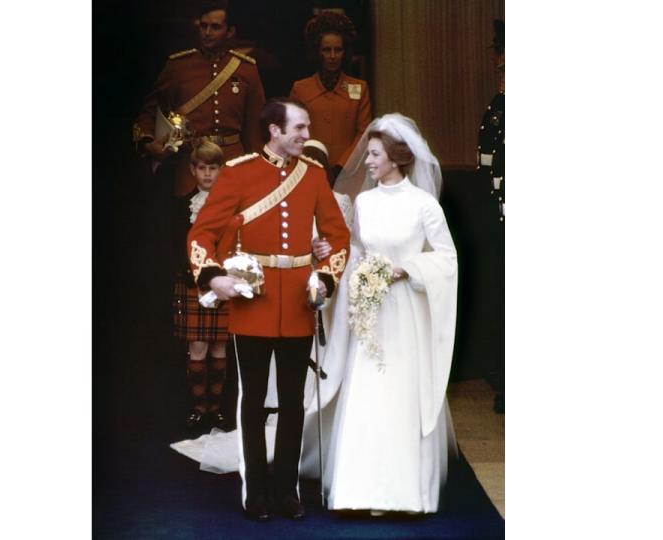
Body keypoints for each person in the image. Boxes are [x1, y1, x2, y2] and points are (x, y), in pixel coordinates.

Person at [186, 98, 350, 521]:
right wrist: (214, 278)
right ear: (274, 130)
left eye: (306, 127)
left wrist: (325, 279)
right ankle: (255, 491)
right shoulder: (239, 172)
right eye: (298, 127)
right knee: (254, 401)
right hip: (252, 305)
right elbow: (201, 233)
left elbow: (338, 237)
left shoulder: (313, 176)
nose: (305, 135)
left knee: (294, 402)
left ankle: (286, 490)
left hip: (298, 302)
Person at [317, 113, 460, 514]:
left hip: (406, 314)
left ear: (397, 157)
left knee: (400, 393)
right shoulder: (364, 202)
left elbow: (446, 259)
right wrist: (352, 269)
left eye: (375, 154)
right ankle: (358, 491)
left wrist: (406, 269)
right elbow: (359, 250)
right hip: (370, 312)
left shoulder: (424, 205)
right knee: (367, 391)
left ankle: (404, 493)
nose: (368, 161)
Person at [134, 0, 266, 196]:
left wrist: (258, 173)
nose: (207, 32)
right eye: (203, 26)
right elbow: (150, 111)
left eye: (215, 27)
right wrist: (147, 141)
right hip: (190, 168)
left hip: (233, 166)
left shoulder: (247, 69)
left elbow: (255, 128)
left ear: (230, 31)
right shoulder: (178, 66)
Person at [172, 140, 231, 431]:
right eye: (202, 168)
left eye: (213, 168)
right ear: (193, 170)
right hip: (192, 284)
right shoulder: (182, 206)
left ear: (221, 170)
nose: (208, 174)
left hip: (222, 284)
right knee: (198, 348)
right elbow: (175, 247)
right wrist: (192, 276)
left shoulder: (232, 207)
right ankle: (198, 409)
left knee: (220, 348)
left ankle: (216, 409)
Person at [289, 11, 372, 180]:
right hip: (309, 170)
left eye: (338, 50)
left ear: (345, 52)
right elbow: (293, 132)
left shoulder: (360, 88)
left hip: (350, 173)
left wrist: (343, 166)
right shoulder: (300, 89)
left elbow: (363, 134)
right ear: (317, 52)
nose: (333, 56)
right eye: (327, 50)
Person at [477, 19, 505, 413]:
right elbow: (486, 158)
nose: (502, 77)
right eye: (500, 70)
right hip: (500, 212)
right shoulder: (497, 108)